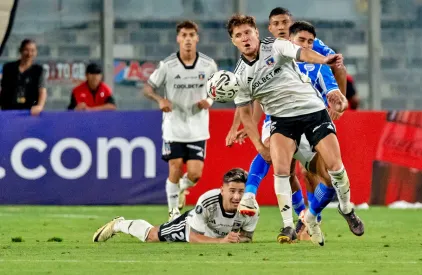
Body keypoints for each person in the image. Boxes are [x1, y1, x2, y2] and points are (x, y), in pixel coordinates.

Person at [227, 13, 364, 246]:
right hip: (281, 119)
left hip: (312, 111)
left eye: (248, 32)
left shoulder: (280, 46)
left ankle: (340, 209)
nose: (245, 38)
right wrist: (256, 144)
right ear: (234, 41)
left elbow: (305, 54)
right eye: (239, 35)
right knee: (282, 170)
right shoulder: (239, 75)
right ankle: (287, 222)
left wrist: (325, 62)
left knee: (333, 171)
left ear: (257, 33)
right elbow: (247, 111)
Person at [143, 20, 218, 221]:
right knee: (174, 165)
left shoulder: (208, 64)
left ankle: (182, 189)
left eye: (191, 35)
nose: (187, 39)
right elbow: (148, 88)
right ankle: (173, 211)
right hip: (173, 125)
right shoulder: (167, 65)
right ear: (178, 38)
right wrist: (160, 100)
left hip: (198, 126)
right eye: (184, 35)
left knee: (195, 175)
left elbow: (218, 87)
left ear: (197, 38)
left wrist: (210, 99)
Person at [93, 168, 258, 244]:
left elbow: (247, 237)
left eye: (241, 192)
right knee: (152, 236)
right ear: (222, 190)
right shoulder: (207, 202)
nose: (237, 197)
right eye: (232, 191)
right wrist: (222, 241)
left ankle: (174, 212)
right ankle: (119, 224)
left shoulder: (251, 208)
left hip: (215, 234)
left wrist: (238, 239)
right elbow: (193, 237)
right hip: (190, 226)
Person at [0, 39, 46, 116]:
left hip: (29, 112)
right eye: (26, 50)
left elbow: (42, 90)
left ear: (36, 52)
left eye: (32, 50)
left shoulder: (38, 70)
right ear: (20, 50)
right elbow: (2, 88)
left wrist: (39, 106)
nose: (29, 54)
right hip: (9, 111)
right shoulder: (8, 68)